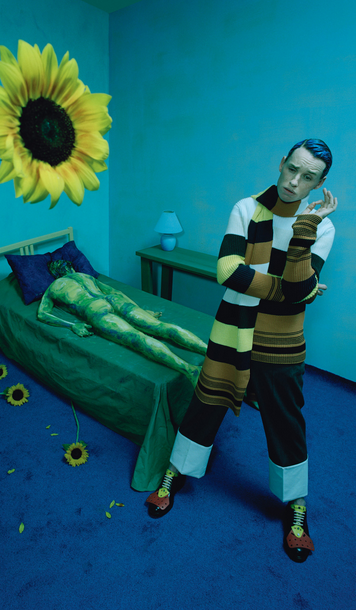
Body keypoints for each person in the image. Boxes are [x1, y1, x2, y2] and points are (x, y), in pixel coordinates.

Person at [145, 139, 337, 564]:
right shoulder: (246, 209)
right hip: (233, 327)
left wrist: (303, 234)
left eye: (308, 177)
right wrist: (292, 290)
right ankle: (178, 469)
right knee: (207, 401)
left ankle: (296, 502)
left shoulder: (321, 227)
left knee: (286, 419)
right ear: (281, 163)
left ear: (320, 183)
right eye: (292, 168)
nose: (294, 181)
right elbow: (228, 272)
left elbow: (285, 285)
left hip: (283, 339)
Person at [37, 261, 207, 385]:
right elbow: (115, 291)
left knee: (137, 338)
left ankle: (190, 370)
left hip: (95, 309)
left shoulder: (55, 286)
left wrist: (73, 325)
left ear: (55, 273)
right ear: (71, 267)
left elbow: (42, 313)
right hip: (114, 299)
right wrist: (140, 309)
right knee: (160, 327)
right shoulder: (85, 276)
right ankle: (209, 351)